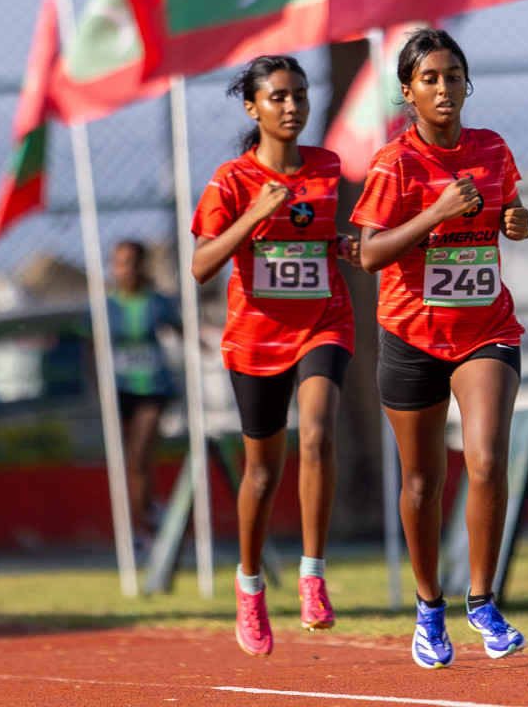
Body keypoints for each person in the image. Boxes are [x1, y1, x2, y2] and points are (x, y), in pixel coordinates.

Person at [352, 28, 528, 670]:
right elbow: (370, 254)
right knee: (423, 480)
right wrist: (434, 214)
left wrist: (517, 221)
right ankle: (429, 607)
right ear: (408, 92)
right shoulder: (394, 163)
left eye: (453, 75)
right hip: (412, 337)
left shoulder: (493, 148)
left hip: (486, 331)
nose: (443, 87)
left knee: (486, 459)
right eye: (429, 78)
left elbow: (512, 212)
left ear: (466, 83)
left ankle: (482, 601)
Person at [190, 55, 360, 657]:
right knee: (261, 473)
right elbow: (202, 265)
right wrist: (255, 215)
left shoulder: (328, 166)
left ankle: (313, 576)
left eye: (300, 95)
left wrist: (341, 245)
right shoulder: (232, 180)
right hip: (256, 339)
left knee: (316, 434)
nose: (292, 106)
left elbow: (320, 237)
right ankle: (250, 585)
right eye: (279, 96)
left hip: (323, 323)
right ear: (252, 107)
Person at [107, 239, 180, 550]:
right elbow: (89, 348)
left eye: (133, 262)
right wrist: (99, 388)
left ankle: (139, 532)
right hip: (120, 390)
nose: (127, 269)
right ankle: (151, 508)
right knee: (134, 463)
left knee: (139, 458)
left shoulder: (158, 303)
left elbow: (182, 328)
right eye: (120, 262)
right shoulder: (105, 307)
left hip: (153, 389)